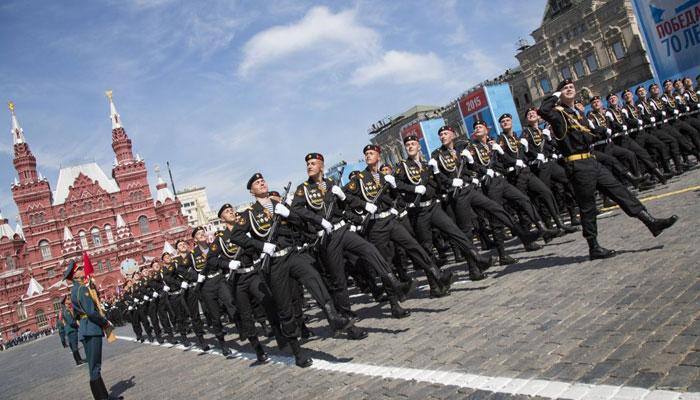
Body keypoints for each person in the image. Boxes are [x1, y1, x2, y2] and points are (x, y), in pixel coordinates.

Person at [538, 78, 678, 260]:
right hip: (577, 166)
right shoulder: (558, 114)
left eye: (572, 87)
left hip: (591, 161)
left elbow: (585, 138)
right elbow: (543, 110)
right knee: (588, 207)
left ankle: (651, 222)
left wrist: (598, 133)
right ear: (559, 93)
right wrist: (557, 95)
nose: (569, 89)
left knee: (620, 191)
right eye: (565, 88)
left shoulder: (577, 114)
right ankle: (593, 247)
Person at [208, 203, 273, 363]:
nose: (231, 212)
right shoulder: (221, 239)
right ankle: (258, 348)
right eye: (227, 212)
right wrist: (227, 264)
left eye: (232, 210)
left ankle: (277, 330)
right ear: (222, 218)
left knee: (268, 300)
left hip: (253, 271)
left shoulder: (246, 229)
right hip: (237, 280)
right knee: (245, 315)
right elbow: (211, 259)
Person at [65, 261, 123, 400]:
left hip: (86, 329)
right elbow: (91, 312)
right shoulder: (82, 289)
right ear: (74, 275)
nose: (82, 269)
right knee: (95, 365)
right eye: (79, 269)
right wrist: (104, 322)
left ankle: (102, 397)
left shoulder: (75, 290)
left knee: (93, 365)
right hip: (91, 328)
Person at [58, 295, 86, 366]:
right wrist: (77, 324)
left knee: (73, 346)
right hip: (71, 330)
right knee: (74, 346)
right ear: (65, 302)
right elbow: (71, 322)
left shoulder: (65, 310)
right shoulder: (66, 311)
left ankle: (79, 360)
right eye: (67, 299)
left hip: (70, 330)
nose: (69, 300)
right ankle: (78, 360)